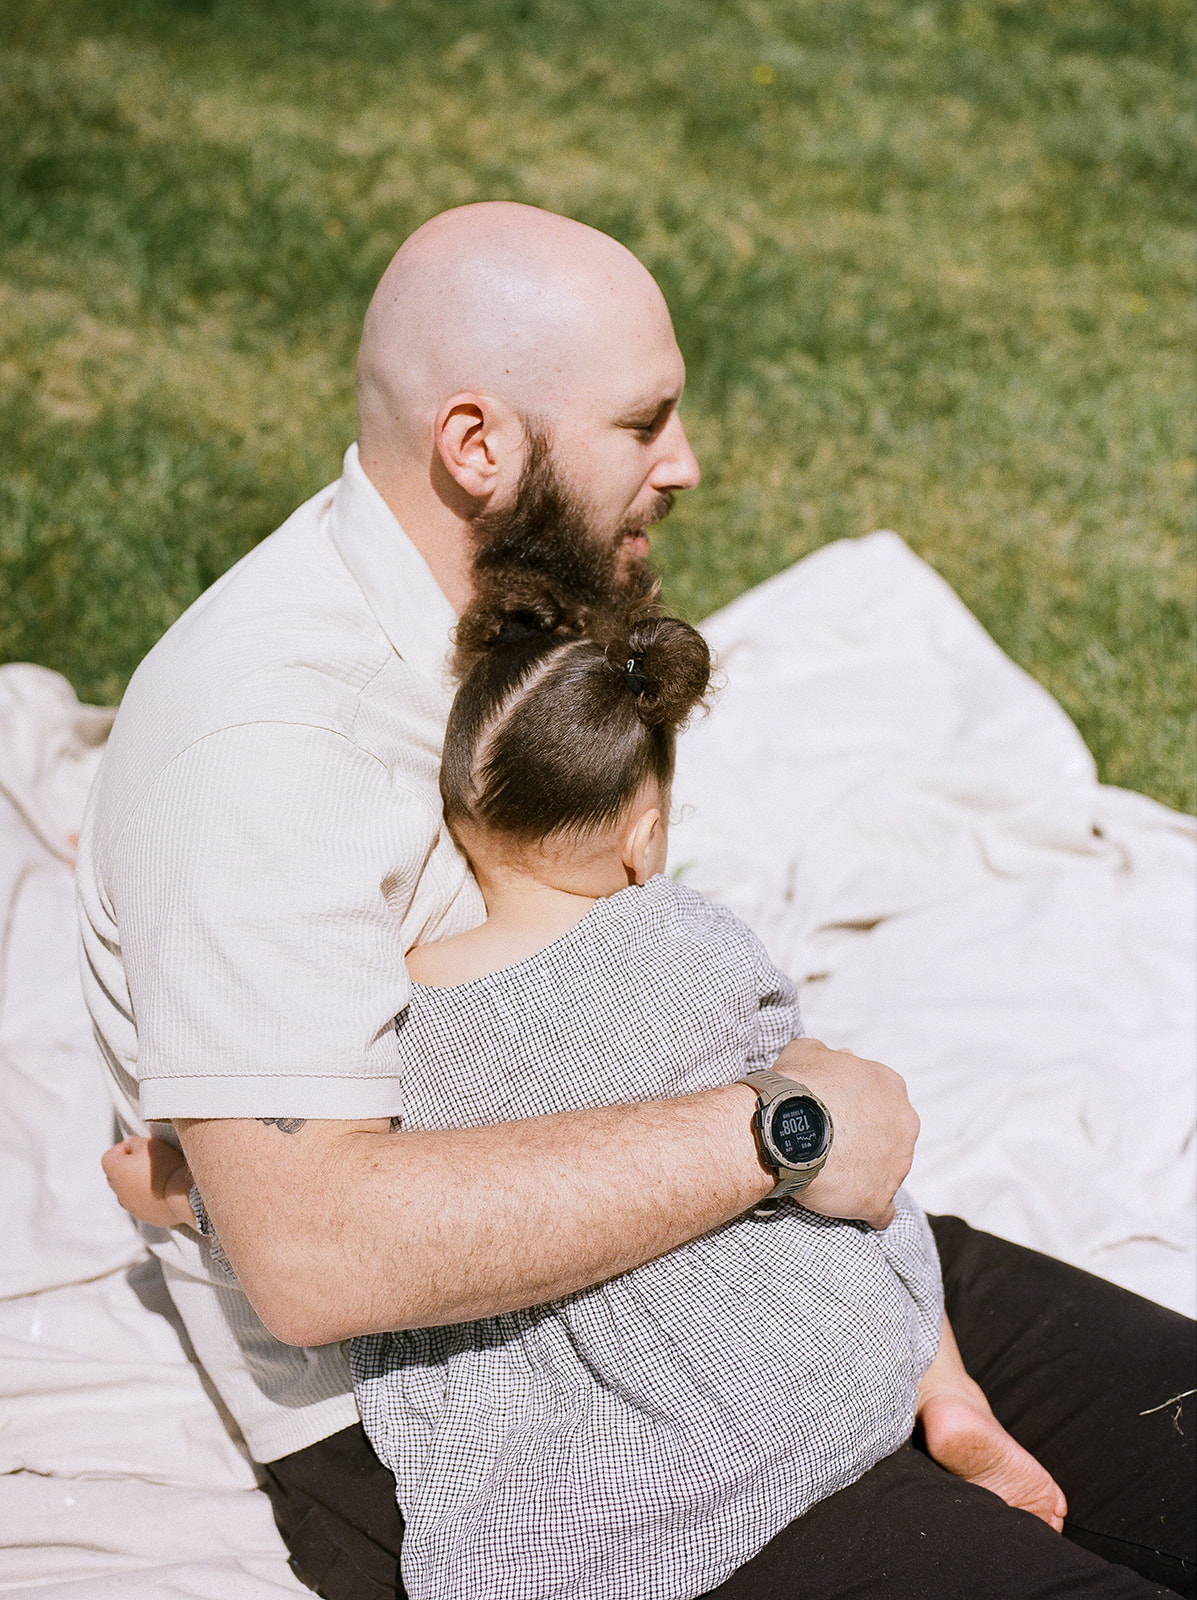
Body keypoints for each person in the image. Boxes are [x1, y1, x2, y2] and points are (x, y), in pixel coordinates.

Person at [81, 203, 1194, 1599]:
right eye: (642, 421)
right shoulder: (263, 750)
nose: (685, 464)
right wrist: (780, 1128)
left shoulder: (504, 620)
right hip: (507, 1417)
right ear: (476, 447)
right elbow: (315, 1254)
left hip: (758, 1256)